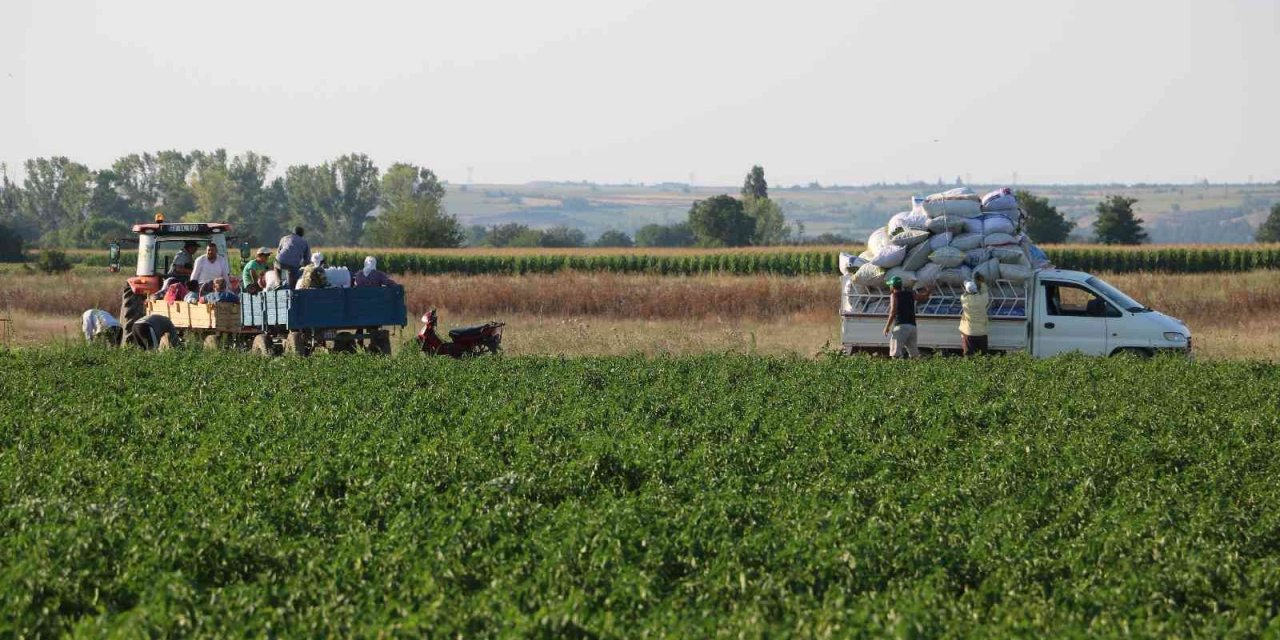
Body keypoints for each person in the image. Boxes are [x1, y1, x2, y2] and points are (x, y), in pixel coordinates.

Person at [882, 276, 930, 359]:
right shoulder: (910, 294)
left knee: (895, 353)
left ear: (892, 286)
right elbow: (922, 298)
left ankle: (896, 371)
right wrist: (928, 291)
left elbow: (893, 311)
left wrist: (887, 327)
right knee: (914, 355)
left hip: (901, 326)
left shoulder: (894, 295)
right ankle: (916, 371)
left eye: (890, 285)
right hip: (912, 327)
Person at [959, 274, 991, 356]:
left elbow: (964, 293)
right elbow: (985, 291)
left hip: (969, 333)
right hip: (982, 333)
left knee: (969, 356)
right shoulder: (983, 299)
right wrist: (982, 282)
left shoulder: (965, 300)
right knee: (983, 356)